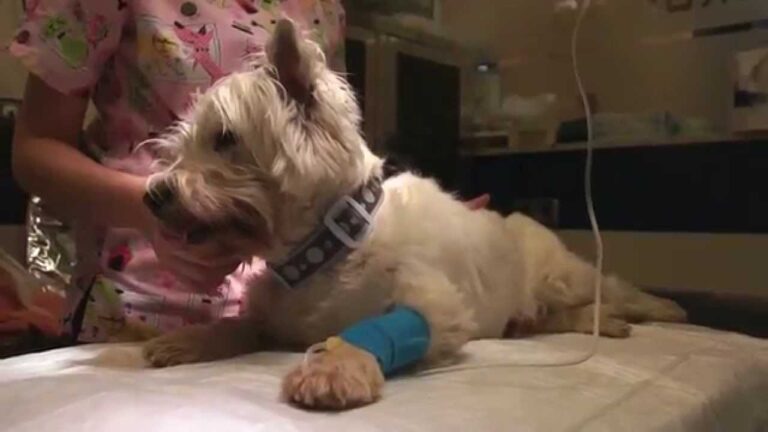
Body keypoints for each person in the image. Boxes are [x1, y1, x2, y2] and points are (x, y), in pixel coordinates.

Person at [5, 0, 489, 344]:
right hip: (140, 317)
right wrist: (148, 210)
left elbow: (322, 147)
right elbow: (35, 150)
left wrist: (416, 224)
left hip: (292, 322)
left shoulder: (320, 6)